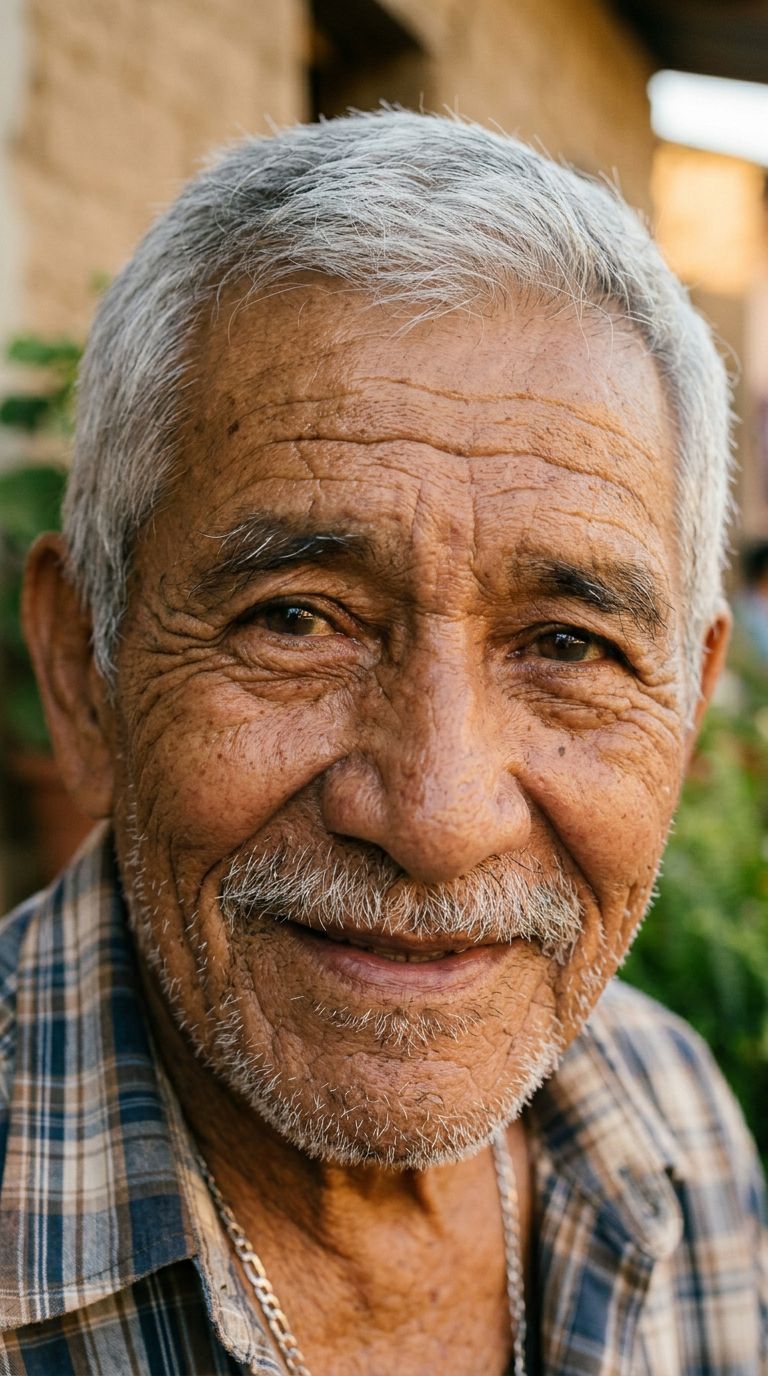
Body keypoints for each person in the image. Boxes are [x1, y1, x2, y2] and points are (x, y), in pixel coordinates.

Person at [2, 111, 765, 1375]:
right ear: (83, 670)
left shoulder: (671, 1122)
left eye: (569, 645)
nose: (438, 813)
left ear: (687, 705)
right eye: (297, 619)